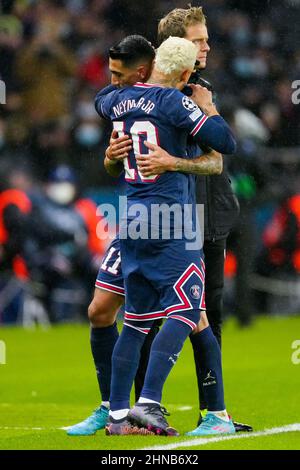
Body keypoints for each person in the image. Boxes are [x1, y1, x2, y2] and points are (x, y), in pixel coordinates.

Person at [66, 34, 227, 436]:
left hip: (131, 220)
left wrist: (114, 144)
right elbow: (226, 143)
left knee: (136, 320)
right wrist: (207, 110)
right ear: (187, 72)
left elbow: (104, 99)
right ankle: (149, 403)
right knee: (187, 311)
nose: (114, 78)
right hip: (171, 220)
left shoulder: (112, 101)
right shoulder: (173, 102)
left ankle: (117, 418)